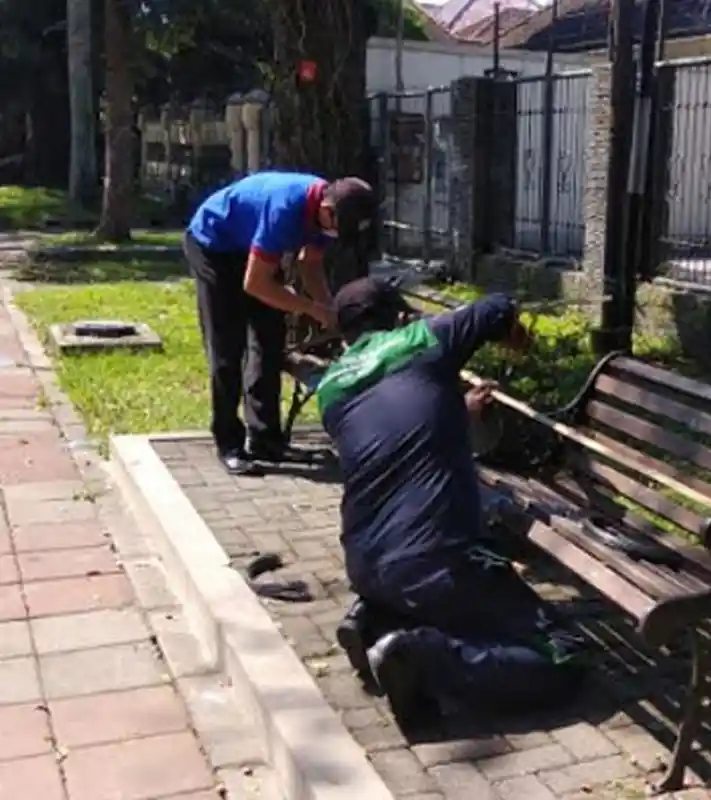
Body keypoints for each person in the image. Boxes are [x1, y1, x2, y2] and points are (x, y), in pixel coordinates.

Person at [317, 276, 588, 727]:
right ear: (400, 316)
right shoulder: (421, 340)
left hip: (365, 561)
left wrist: (458, 411)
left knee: (456, 608)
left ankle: (374, 621)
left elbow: (399, 437)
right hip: (442, 562)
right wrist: (514, 338)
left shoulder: (330, 388)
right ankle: (423, 660)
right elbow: (499, 301)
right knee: (565, 656)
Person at [183, 172, 377, 475]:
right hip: (214, 246)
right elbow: (256, 284)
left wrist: (329, 311)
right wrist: (311, 309)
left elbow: (309, 264)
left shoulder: (331, 210)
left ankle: (265, 439)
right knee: (227, 348)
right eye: (341, 228)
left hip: (252, 248)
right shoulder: (286, 209)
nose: (338, 236)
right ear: (327, 211)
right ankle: (229, 443)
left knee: (270, 341)